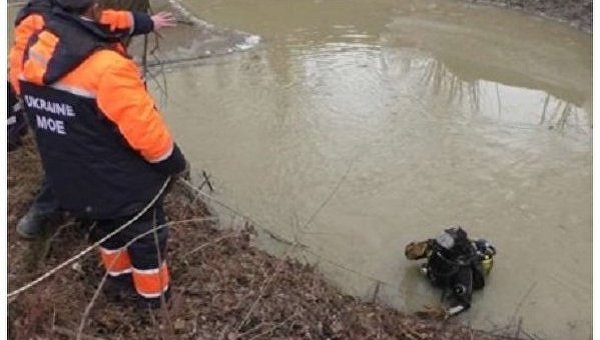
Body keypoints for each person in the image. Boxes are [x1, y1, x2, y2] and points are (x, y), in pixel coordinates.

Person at [18, 0, 187, 309]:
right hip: (124, 187)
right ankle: (154, 305)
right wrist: (174, 164)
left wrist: (144, 22)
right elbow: (148, 136)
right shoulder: (106, 68)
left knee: (107, 231)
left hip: (72, 180)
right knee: (146, 242)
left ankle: (119, 284)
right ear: (94, 7)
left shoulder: (30, 51)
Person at [9, 0, 177, 239]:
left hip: (72, 103)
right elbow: (19, 64)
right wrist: (35, 100)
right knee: (63, 160)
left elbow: (108, 19)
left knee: (81, 155)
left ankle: (85, 210)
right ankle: (42, 214)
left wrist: (147, 22)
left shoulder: (72, 10)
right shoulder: (35, 19)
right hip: (52, 102)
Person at [405, 226, 496, 317]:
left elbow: (464, 304)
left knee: (450, 295)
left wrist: (445, 312)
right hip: (439, 273)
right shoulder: (441, 246)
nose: (441, 242)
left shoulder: (463, 272)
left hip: (451, 281)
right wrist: (417, 249)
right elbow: (429, 246)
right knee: (423, 269)